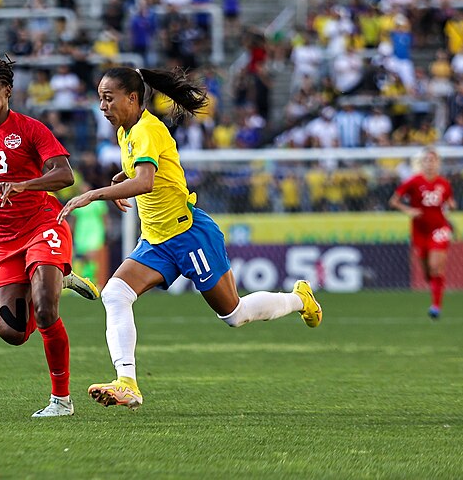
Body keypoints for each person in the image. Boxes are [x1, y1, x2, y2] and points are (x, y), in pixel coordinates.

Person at [56, 67, 323, 410]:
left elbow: (146, 182)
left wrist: (95, 194)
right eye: (100, 99)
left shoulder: (147, 129)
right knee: (115, 294)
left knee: (234, 314)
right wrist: (123, 175)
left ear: (132, 98)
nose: (103, 106)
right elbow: (145, 170)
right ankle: (127, 382)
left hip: (188, 234)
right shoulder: (127, 131)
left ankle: (300, 299)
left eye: (109, 98)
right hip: (156, 239)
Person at [0, 49, 101, 418]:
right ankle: (61, 277)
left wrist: (25, 184)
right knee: (12, 333)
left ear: (7, 91)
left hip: (43, 224)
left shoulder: (31, 129)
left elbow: (65, 176)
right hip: (3, 241)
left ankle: (61, 401)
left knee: (45, 311)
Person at [389, 147, 455, 320]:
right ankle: (435, 287)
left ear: (437, 163)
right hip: (419, 231)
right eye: (426, 160)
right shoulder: (414, 181)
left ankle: (436, 307)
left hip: (439, 229)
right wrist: (408, 210)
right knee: (427, 271)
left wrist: (451, 206)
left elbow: (450, 201)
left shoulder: (444, 183)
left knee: (435, 266)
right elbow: (394, 201)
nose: (430, 163)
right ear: (422, 163)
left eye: (433, 160)